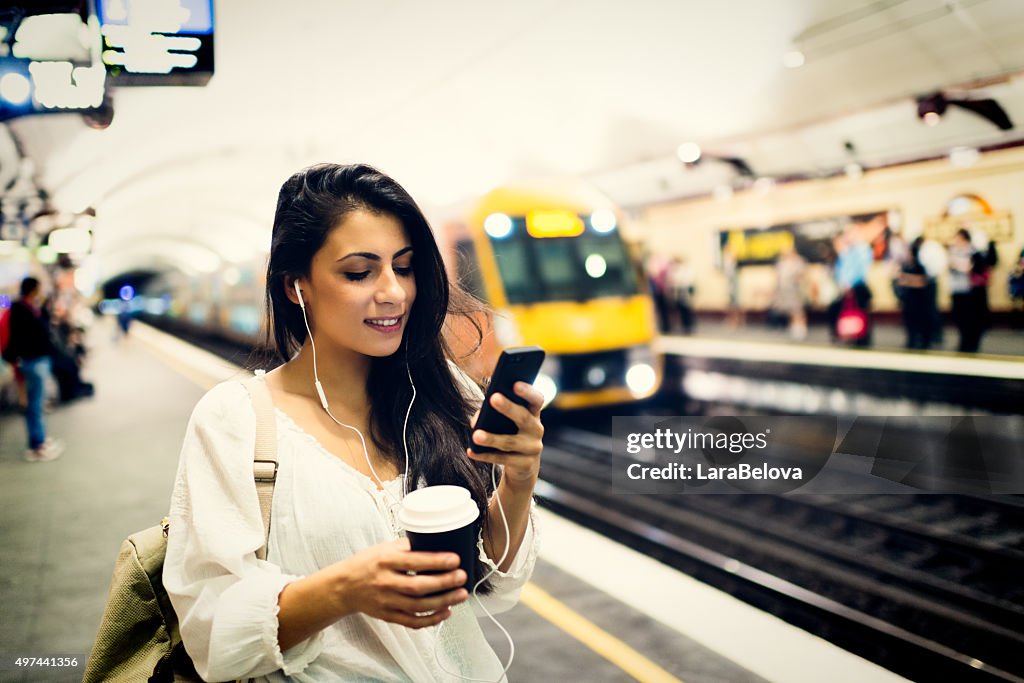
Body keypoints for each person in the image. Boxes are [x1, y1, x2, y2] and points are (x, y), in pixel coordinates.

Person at [163, 163, 544, 682]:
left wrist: (519, 481)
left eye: (405, 267)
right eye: (359, 272)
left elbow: (492, 588)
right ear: (297, 286)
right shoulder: (236, 420)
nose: (394, 292)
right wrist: (344, 589)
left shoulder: (442, 392)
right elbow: (212, 635)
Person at [1, 277, 64, 462]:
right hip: (34, 361)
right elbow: (35, 333)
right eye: (39, 288)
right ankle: (37, 446)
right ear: (33, 290)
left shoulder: (28, 308)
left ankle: (40, 439)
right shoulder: (22, 310)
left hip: (35, 360)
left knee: (36, 403)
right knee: (35, 404)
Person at [828, 229, 873, 346]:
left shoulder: (860, 250)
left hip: (857, 288)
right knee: (844, 310)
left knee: (860, 312)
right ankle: (852, 335)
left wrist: (849, 284)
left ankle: (862, 338)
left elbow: (860, 269)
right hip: (848, 288)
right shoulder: (846, 253)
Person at [948, 228, 990, 352]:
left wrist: (959, 265)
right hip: (956, 288)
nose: (956, 242)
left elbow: (970, 268)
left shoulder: (973, 252)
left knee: (970, 317)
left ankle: (972, 341)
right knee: (959, 316)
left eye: (958, 239)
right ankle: (963, 340)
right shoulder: (953, 251)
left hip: (970, 290)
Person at [897, 237, 936, 350]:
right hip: (908, 299)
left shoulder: (920, 267)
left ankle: (924, 341)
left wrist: (907, 279)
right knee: (910, 321)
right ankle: (911, 340)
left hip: (919, 299)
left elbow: (922, 282)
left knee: (922, 321)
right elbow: (901, 281)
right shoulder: (905, 267)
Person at [773, 245, 807, 340]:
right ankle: (793, 327)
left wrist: (796, 279)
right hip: (784, 290)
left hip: (795, 290)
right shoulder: (781, 263)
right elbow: (778, 276)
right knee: (789, 310)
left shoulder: (798, 261)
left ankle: (800, 328)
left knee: (797, 309)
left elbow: (802, 275)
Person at [666, 255, 695, 334]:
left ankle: (688, 326)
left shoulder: (684, 269)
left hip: (684, 291)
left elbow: (685, 280)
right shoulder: (675, 269)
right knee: (682, 309)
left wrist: (677, 282)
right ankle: (685, 325)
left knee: (686, 309)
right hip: (679, 292)